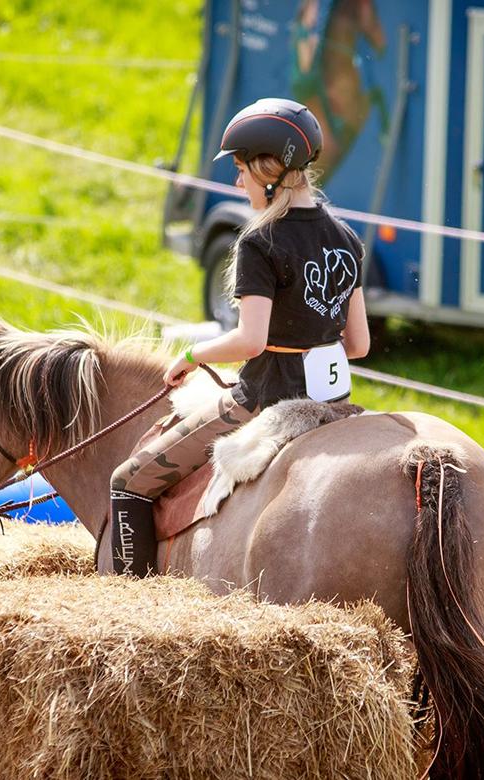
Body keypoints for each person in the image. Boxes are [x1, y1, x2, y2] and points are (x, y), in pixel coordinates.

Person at [109, 97, 371, 577]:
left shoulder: (260, 242)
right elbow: (358, 346)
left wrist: (192, 353)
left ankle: (128, 598)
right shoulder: (348, 240)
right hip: (333, 404)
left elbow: (251, 342)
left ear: (269, 170)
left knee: (128, 481)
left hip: (265, 402)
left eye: (241, 170)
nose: (237, 182)